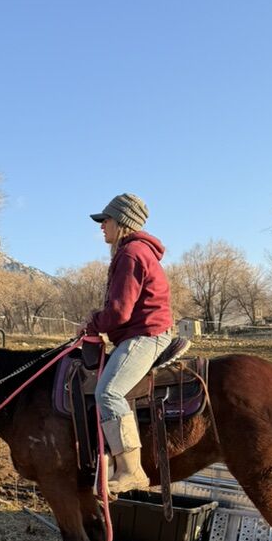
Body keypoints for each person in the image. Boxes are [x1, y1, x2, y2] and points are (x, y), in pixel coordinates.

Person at [83, 193, 174, 493]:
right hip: (142, 331)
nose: (101, 226)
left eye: (105, 220)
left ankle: (131, 470)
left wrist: (92, 324)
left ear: (121, 222)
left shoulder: (131, 254)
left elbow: (119, 312)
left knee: (108, 392)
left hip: (146, 334)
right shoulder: (134, 252)